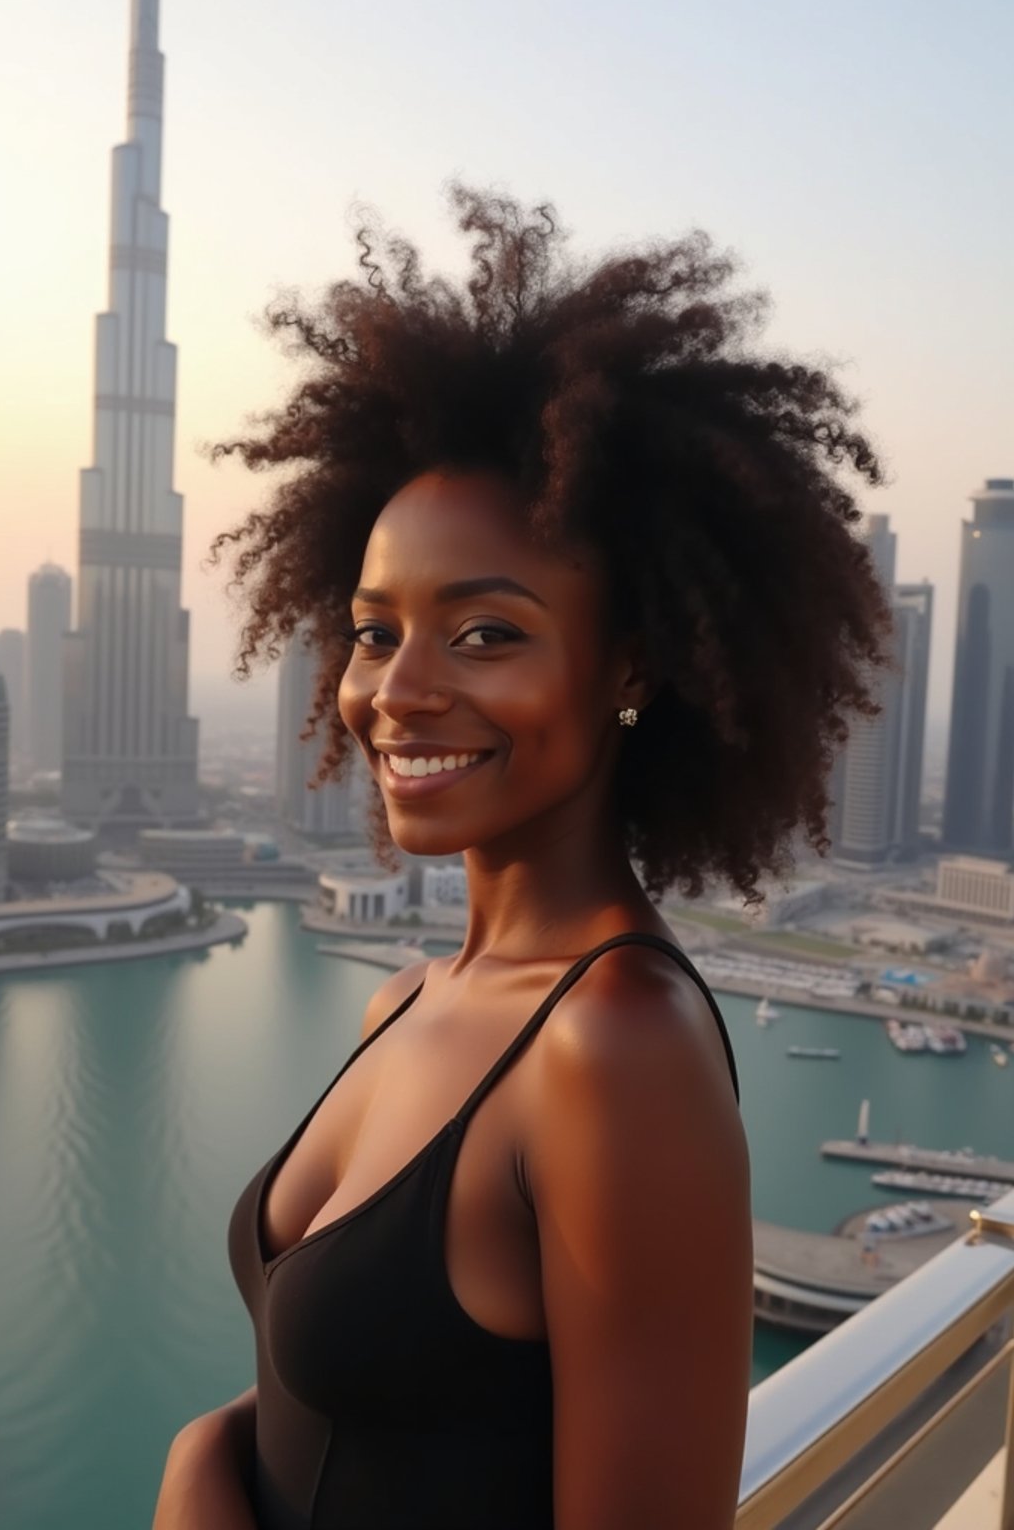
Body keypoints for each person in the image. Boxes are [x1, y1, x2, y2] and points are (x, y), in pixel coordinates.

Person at [153, 182, 893, 1529]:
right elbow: (369, 1412)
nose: (399, 691)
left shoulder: (614, 1048)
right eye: (377, 631)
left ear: (629, 666)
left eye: (486, 633)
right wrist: (203, 1463)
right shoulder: (409, 1001)